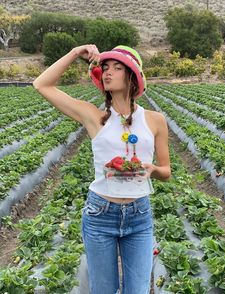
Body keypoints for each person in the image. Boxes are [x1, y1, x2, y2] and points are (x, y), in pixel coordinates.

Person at [33, 44, 171, 294]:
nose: (107, 72)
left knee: (138, 290)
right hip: (100, 214)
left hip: (139, 215)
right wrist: (75, 53)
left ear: (132, 77)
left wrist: (152, 169)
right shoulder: (93, 116)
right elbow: (42, 85)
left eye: (117, 68)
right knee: (104, 290)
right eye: (104, 68)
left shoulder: (155, 120)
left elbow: (166, 171)